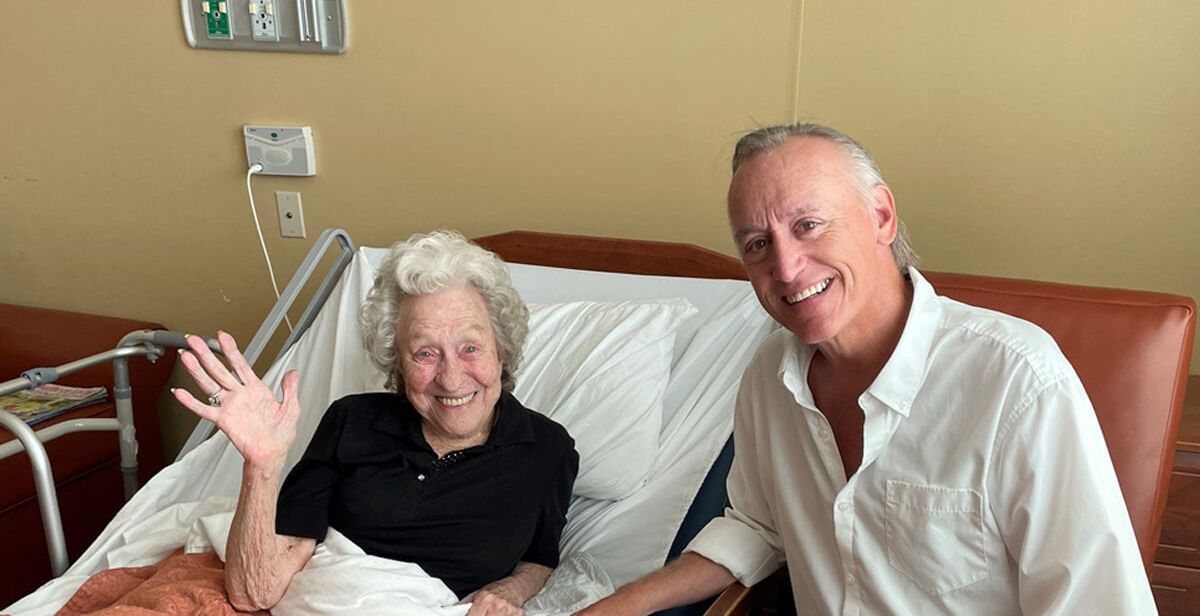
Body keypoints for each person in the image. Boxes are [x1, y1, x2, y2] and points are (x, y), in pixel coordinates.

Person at [577, 123, 1154, 614]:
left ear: (881, 216)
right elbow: (757, 526)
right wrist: (615, 606)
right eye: (756, 244)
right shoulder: (767, 377)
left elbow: (1099, 602)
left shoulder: (1016, 381)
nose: (785, 266)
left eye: (808, 225)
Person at [174, 230, 579, 616]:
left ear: (502, 350)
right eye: (425, 353)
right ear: (397, 364)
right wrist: (262, 465)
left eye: (470, 348)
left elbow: (539, 558)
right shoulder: (351, 421)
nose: (451, 377)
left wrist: (506, 590)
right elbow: (254, 594)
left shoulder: (547, 448)